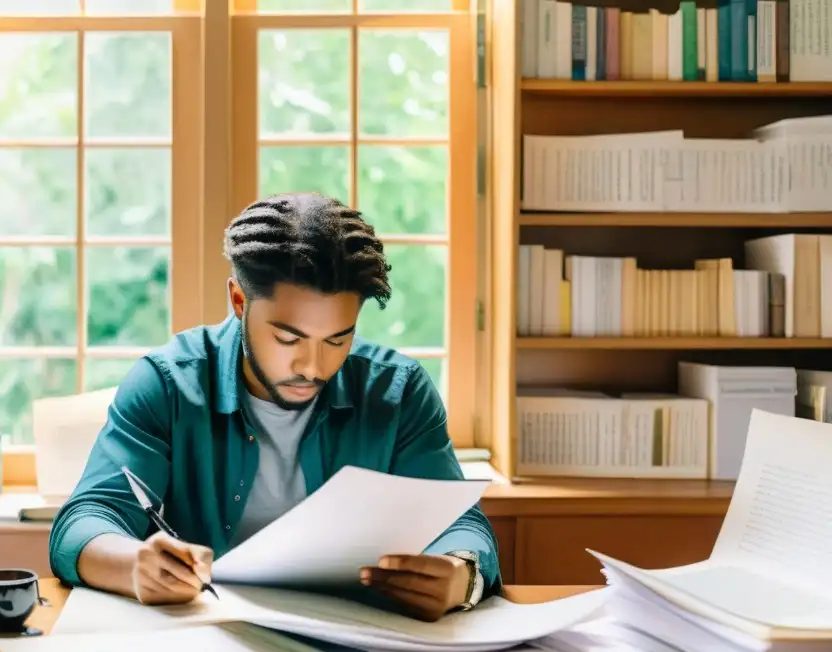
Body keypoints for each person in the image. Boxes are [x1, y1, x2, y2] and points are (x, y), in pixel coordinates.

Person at [48, 192, 500, 621]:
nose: (312, 366)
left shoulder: (397, 392)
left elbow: (461, 525)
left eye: (337, 339)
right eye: (288, 338)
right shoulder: (167, 384)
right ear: (239, 302)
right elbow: (84, 521)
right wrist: (133, 564)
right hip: (203, 640)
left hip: (358, 639)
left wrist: (461, 575)